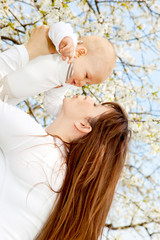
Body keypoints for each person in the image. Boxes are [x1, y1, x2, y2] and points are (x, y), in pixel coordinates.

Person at [0, 26, 131, 240]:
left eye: (95, 104)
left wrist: (29, 50)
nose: (85, 93)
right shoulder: (65, 186)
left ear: (83, 125)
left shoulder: (35, 145)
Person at [0, 22, 116, 116]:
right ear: (80, 53)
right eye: (86, 76)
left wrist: (68, 112)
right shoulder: (65, 50)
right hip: (10, 67)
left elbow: (52, 102)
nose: (81, 83)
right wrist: (65, 39)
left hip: (9, 98)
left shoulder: (64, 83)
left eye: (86, 83)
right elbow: (58, 27)